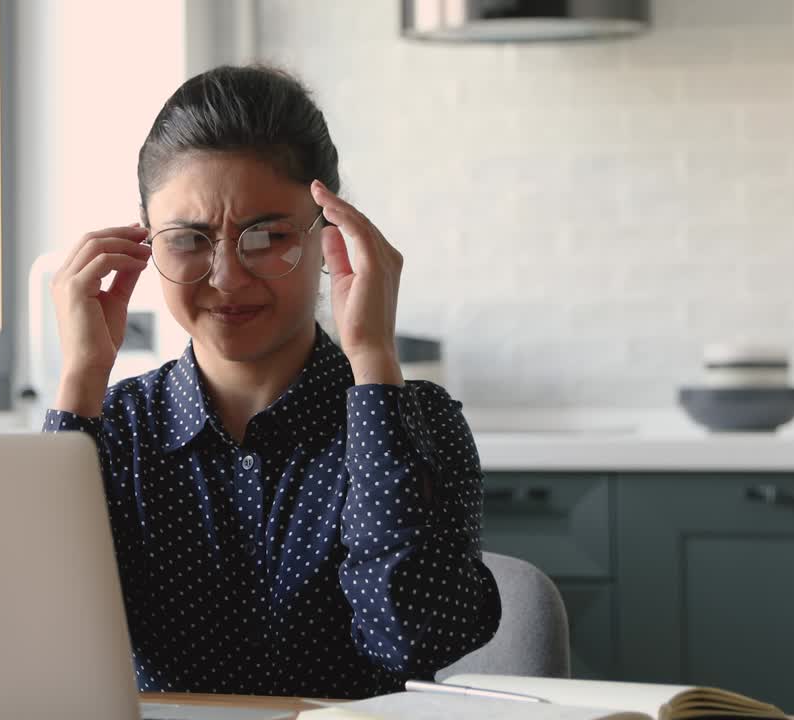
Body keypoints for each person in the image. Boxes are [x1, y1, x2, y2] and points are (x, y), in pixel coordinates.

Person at [44, 65, 499, 699]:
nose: (227, 276)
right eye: (189, 239)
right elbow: (36, 649)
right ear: (145, 241)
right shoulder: (112, 427)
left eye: (268, 236)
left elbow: (409, 639)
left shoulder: (414, 422)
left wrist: (370, 355)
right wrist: (81, 378)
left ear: (330, 237)